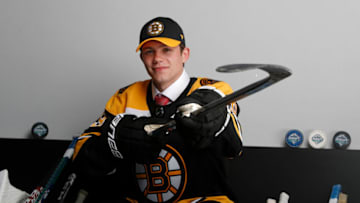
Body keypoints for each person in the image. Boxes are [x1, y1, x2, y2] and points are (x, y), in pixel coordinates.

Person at [54, 16, 243, 203]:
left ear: (184, 54)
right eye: (149, 51)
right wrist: (115, 141)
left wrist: (213, 121)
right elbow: (81, 157)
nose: (157, 59)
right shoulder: (125, 97)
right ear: (142, 57)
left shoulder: (215, 90)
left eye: (166, 50)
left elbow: (233, 147)